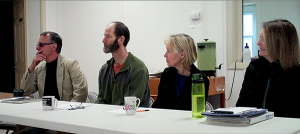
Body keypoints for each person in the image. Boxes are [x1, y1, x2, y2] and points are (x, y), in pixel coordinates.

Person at [19, 31, 89, 134]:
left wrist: (67, 115)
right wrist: (32, 66)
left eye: (41, 45)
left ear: (53, 46)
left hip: (71, 117)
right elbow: (25, 91)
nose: (37, 48)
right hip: (47, 117)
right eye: (37, 45)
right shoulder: (39, 68)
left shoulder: (70, 64)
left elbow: (81, 91)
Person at [236, 19, 300, 118]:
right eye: (259, 37)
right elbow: (241, 106)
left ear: (279, 43)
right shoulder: (254, 68)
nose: (258, 43)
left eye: (264, 39)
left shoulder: (295, 73)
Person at [95, 21, 150, 107]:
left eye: (108, 36)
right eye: (104, 36)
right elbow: (101, 100)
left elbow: (130, 106)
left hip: (132, 119)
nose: (103, 40)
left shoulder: (138, 69)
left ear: (121, 40)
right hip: (107, 118)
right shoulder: (104, 69)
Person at [152, 33, 210, 110]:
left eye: (169, 51)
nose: (165, 55)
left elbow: (195, 109)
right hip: (165, 120)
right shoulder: (167, 74)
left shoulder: (200, 79)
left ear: (182, 54)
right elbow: (159, 104)